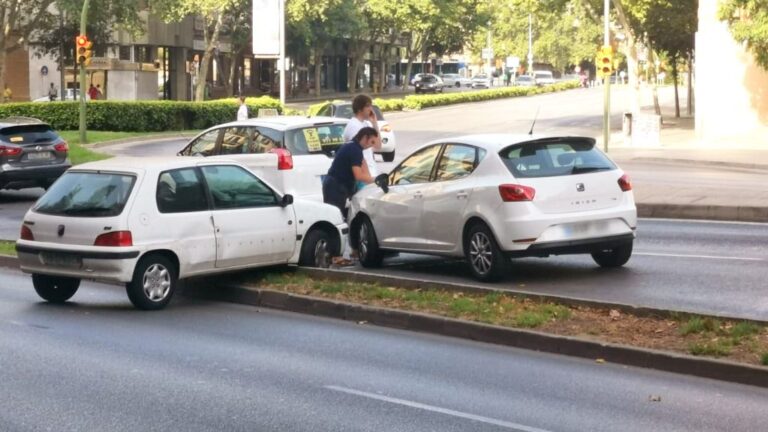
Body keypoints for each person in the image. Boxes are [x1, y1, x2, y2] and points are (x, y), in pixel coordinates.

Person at [323, 127, 383, 266]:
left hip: (339, 185)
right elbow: (359, 175)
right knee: (334, 220)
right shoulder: (354, 150)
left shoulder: (353, 147)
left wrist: (371, 179)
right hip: (336, 186)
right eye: (372, 142)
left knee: (345, 217)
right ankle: (335, 256)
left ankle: (352, 250)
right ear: (365, 137)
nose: (371, 146)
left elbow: (364, 171)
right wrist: (376, 180)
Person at [342, 94, 381, 190]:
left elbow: (377, 145)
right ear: (359, 109)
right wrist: (368, 178)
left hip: (371, 174)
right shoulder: (354, 126)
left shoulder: (365, 124)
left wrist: (374, 123)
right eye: (367, 106)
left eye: (371, 106)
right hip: (364, 178)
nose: (370, 109)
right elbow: (357, 154)